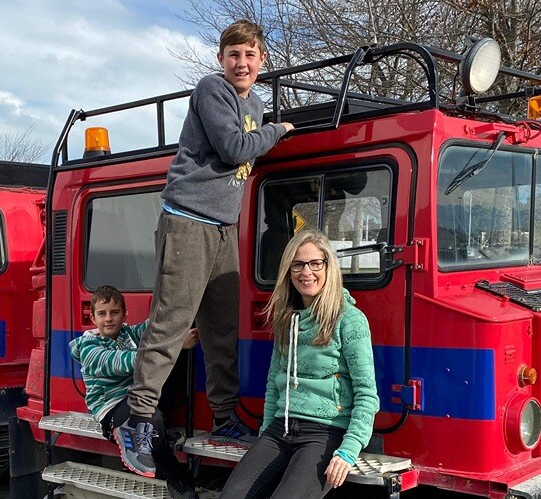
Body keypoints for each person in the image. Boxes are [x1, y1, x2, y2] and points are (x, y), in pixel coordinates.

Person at [115, 18, 295, 476]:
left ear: (262, 61)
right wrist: (276, 131)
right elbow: (235, 148)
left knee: (221, 329)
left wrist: (267, 128)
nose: (242, 63)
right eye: (234, 54)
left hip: (222, 229)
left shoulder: (252, 101)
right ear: (221, 59)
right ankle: (135, 422)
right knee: (171, 324)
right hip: (188, 221)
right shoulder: (211, 90)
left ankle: (224, 418)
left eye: (250, 55)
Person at [219, 230, 379, 499]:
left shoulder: (350, 320)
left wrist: (349, 450)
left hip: (325, 432)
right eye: (298, 264)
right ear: (289, 271)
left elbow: (367, 394)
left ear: (328, 266)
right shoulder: (287, 319)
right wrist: (264, 434)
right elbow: (273, 383)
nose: (307, 272)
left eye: (316, 263)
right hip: (279, 430)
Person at [69, 285, 199, 499]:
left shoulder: (128, 333)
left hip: (138, 398)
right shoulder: (89, 349)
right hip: (112, 411)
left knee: (168, 366)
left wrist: (182, 308)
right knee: (150, 421)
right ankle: (175, 477)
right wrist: (174, 346)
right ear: (93, 318)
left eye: (114, 312)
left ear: (124, 314)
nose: (109, 318)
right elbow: (121, 362)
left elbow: (156, 326)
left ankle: (154, 436)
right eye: (102, 314)